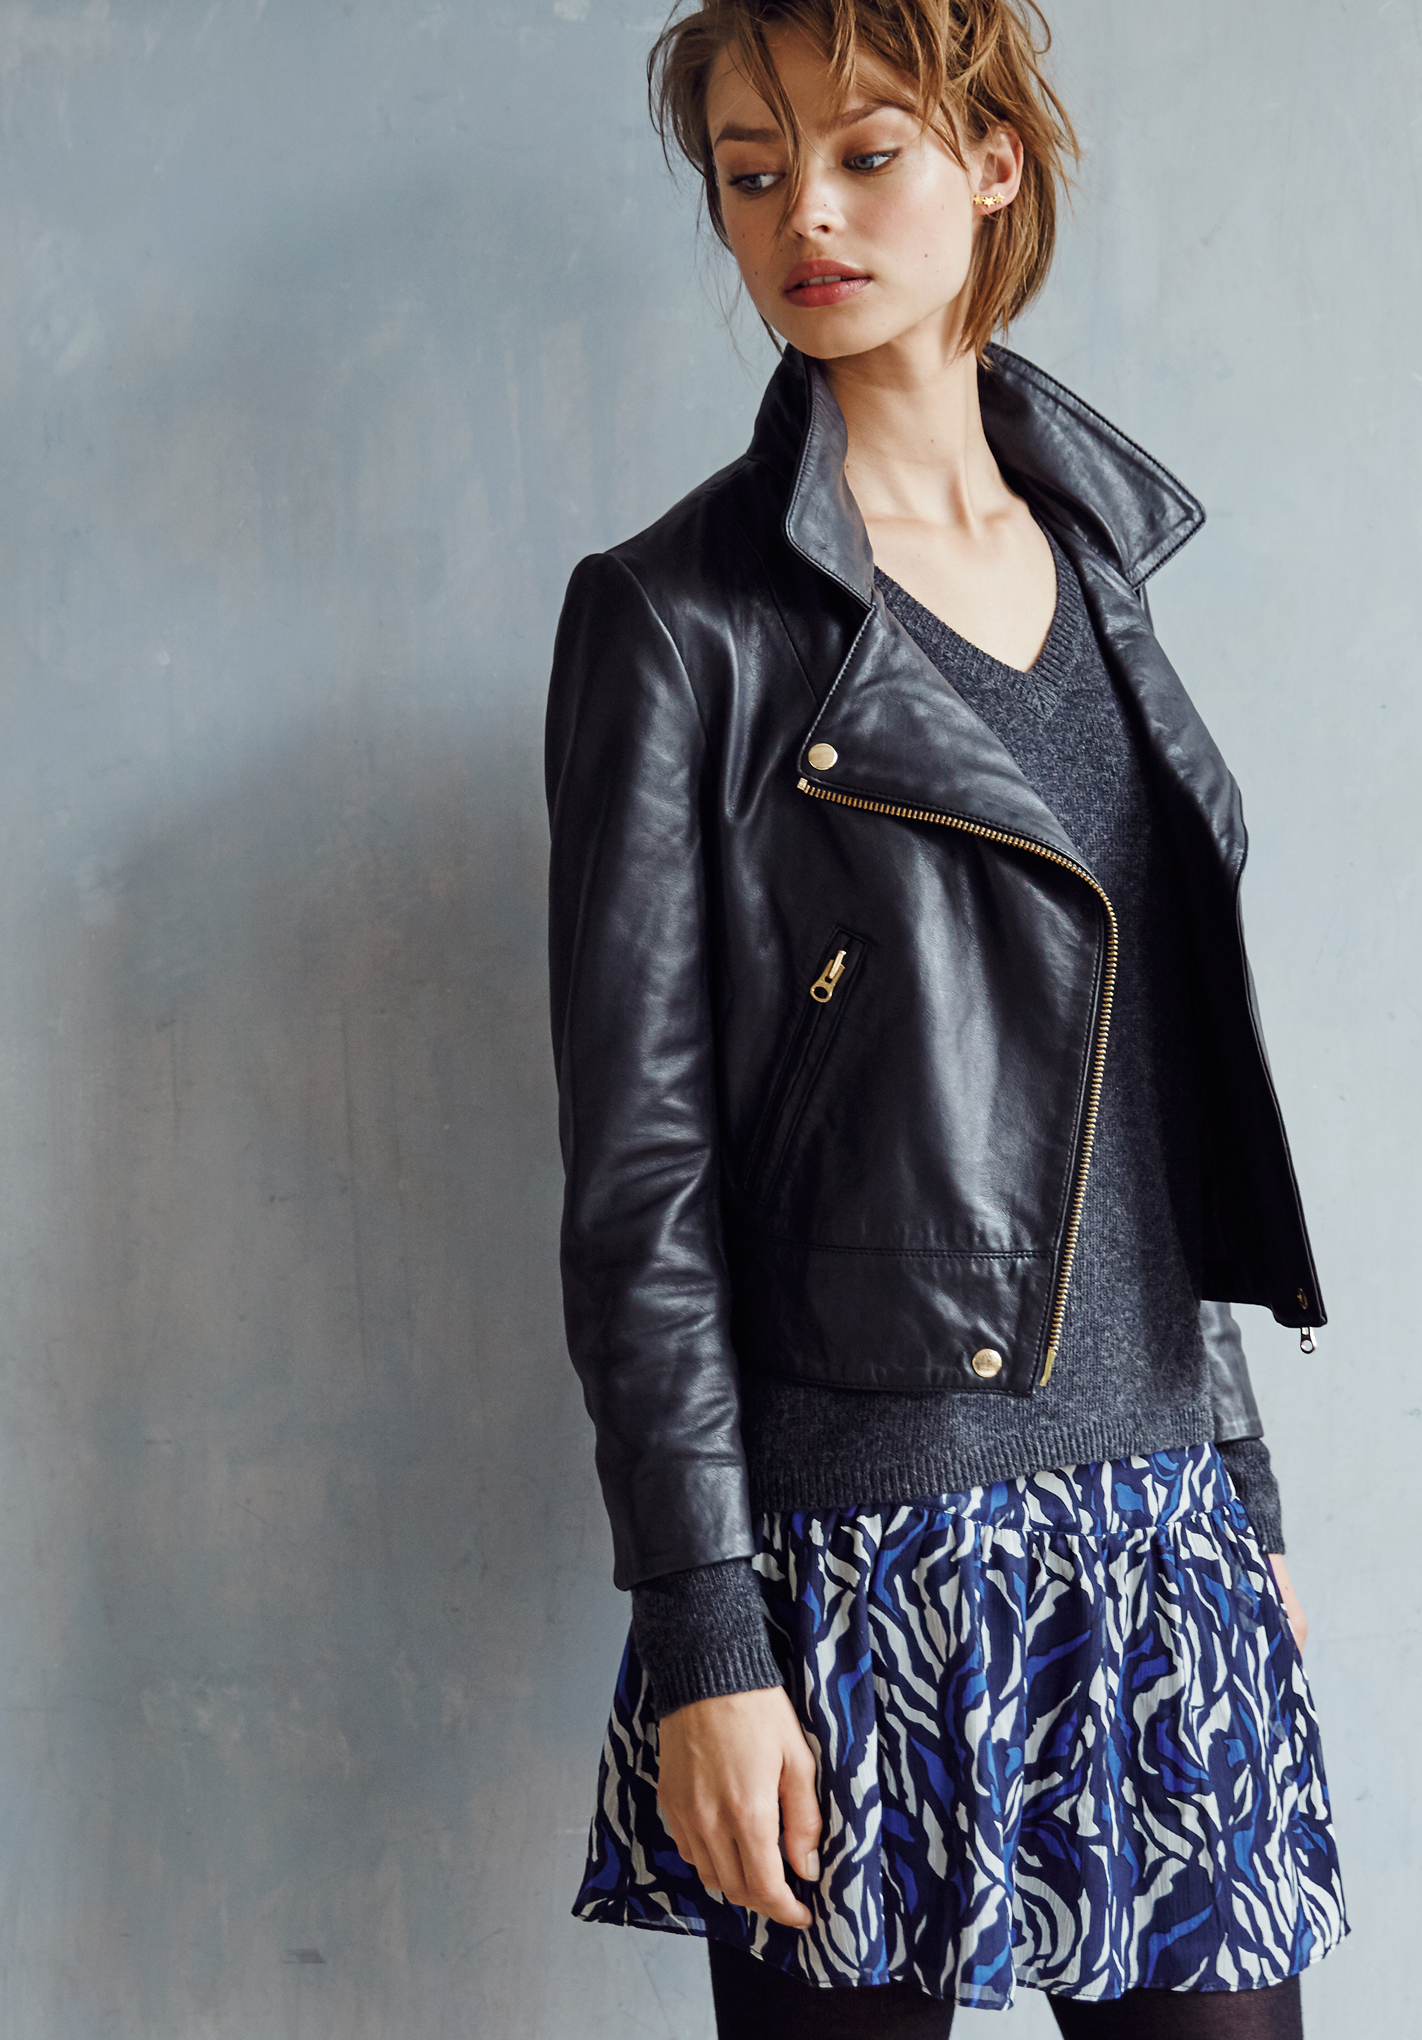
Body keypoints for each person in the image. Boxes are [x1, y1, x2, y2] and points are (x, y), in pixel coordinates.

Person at [545, 2, 1347, 2032]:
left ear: (992, 164)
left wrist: (1239, 1495)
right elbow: (641, 1185)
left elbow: (1143, 1098)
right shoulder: (679, 621)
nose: (802, 215)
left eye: (864, 153)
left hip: (1155, 1526)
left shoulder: (1100, 568)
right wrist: (707, 1638)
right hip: (854, 1552)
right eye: (750, 175)